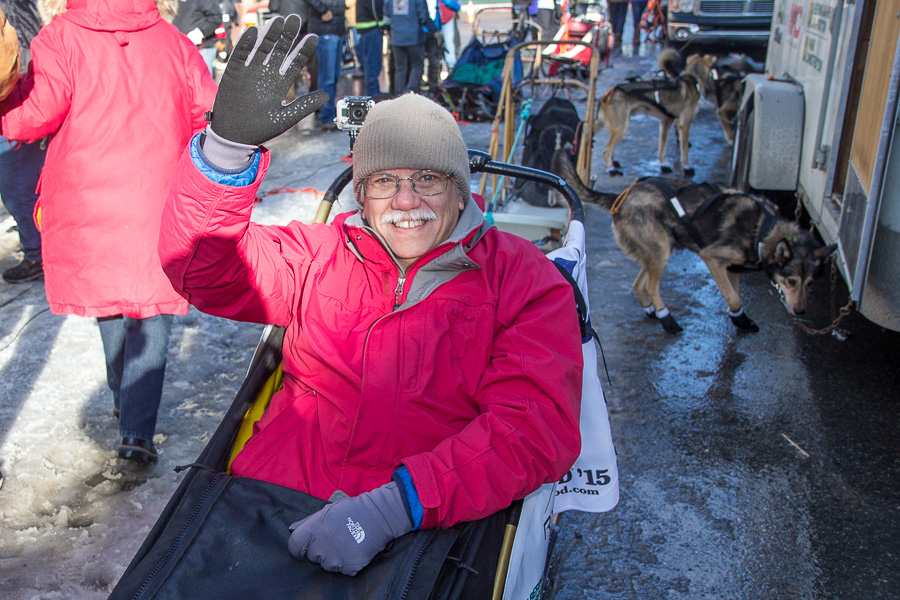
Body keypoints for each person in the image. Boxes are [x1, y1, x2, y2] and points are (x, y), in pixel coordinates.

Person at [159, 15, 582, 580]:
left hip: (427, 521)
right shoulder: (318, 255)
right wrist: (225, 152)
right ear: (361, 194)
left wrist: (396, 506)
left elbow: (532, 428)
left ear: (460, 191)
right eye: (384, 181)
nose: (406, 200)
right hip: (271, 501)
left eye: (429, 178)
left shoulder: (523, 281)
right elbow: (201, 268)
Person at [0, 0, 217, 464]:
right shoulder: (173, 41)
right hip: (158, 193)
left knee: (112, 301)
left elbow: (30, 117)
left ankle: (124, 398)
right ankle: (136, 432)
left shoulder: (59, 38)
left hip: (86, 196)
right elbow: (209, 112)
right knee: (151, 307)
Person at [0, 0, 46, 284]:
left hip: (15, 100)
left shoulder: (15, 9)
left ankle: (37, 254)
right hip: (20, 95)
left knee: (18, 185)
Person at [302, 0, 344, 130]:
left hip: (336, 28)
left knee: (333, 76)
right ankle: (327, 116)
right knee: (328, 77)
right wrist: (323, 9)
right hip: (325, 29)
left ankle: (329, 115)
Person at [384, 0, 437, 94]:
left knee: (400, 69)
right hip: (413, 38)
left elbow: (386, 17)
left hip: (397, 39)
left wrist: (390, 31)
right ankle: (411, 92)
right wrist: (434, 31)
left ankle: (398, 94)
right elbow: (423, 16)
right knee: (417, 65)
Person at [173, 0, 224, 78]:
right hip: (178, 49)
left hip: (201, 49)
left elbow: (216, 17)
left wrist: (200, 32)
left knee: (203, 85)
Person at [354, 0, 384, 96]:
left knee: (370, 62)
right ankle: (374, 94)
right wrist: (382, 23)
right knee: (373, 63)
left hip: (366, 27)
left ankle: (373, 92)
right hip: (372, 27)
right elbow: (376, 6)